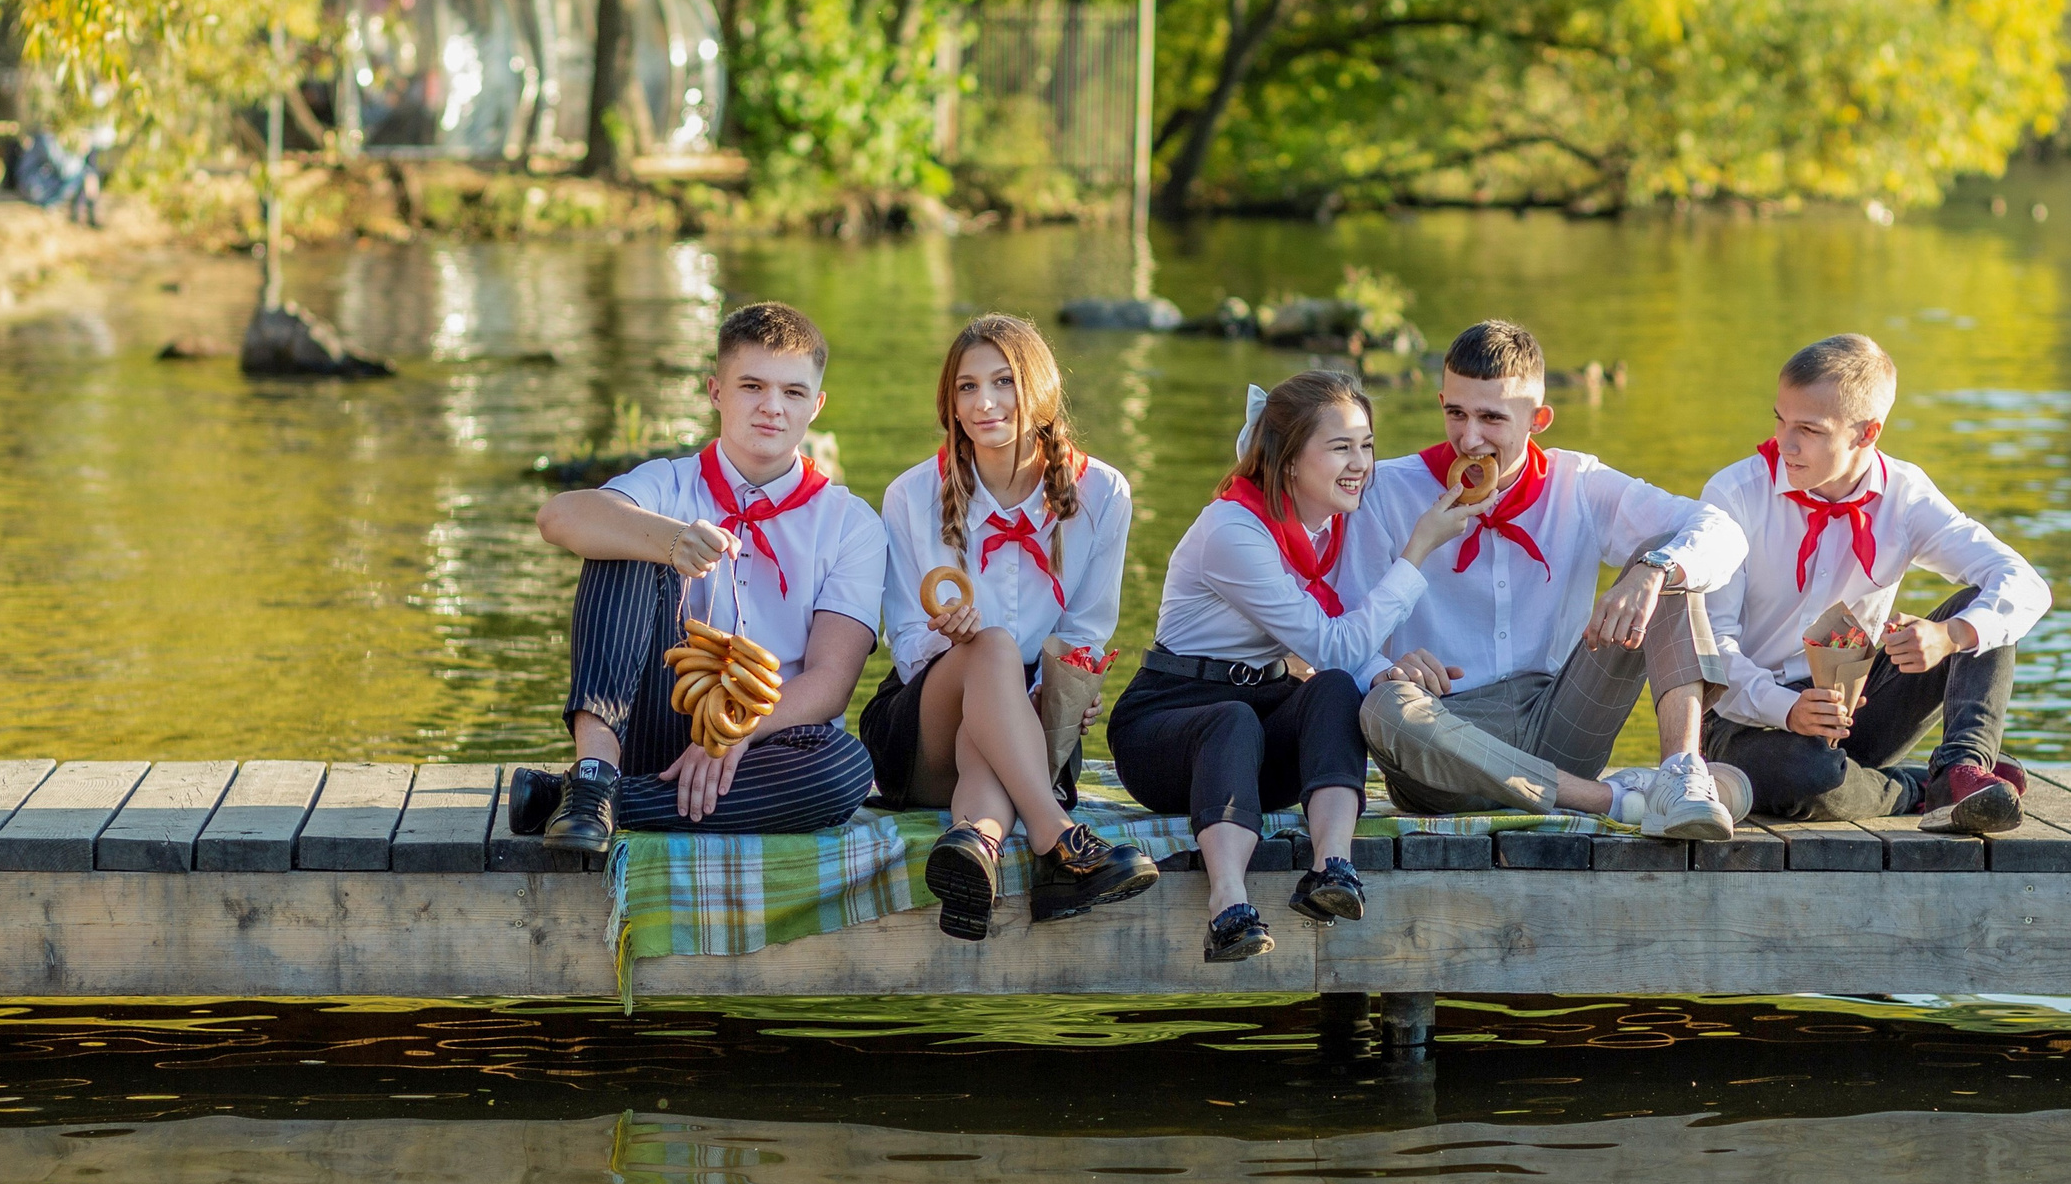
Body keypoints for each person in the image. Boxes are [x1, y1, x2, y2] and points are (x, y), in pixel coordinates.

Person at [1108, 371, 1474, 962]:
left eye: (1367, 445)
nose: (1361, 464)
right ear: (1288, 462)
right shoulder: (1233, 531)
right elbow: (1329, 640)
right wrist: (1418, 550)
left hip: (1253, 727)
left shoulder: (1324, 526)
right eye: (1340, 448)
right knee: (1234, 718)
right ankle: (1227, 907)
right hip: (1166, 728)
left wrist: (1383, 669)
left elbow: (1332, 656)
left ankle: (1333, 870)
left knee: (1330, 690)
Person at [1342, 320, 1754, 838]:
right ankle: (1617, 800)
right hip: (1443, 746)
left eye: (1492, 418)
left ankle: (1680, 774)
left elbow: (1724, 531)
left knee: (1666, 560)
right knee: (1382, 706)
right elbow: (1342, 634)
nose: (1469, 438)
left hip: (1560, 722)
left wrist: (1654, 571)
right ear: (1441, 401)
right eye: (1456, 413)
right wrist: (1387, 667)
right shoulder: (1385, 492)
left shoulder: (1578, 482)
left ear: (1539, 419)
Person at [508, 302, 885, 851]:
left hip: (763, 743)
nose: (772, 408)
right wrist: (670, 540)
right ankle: (592, 775)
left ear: (817, 404)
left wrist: (734, 736)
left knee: (845, 770)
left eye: (793, 392)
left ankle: (585, 802)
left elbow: (830, 683)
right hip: (653, 723)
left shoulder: (852, 522)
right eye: (751, 386)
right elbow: (558, 517)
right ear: (715, 391)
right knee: (622, 537)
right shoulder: (668, 482)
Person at [865, 314, 1156, 943]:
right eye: (966, 387)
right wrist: (954, 640)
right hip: (921, 729)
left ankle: (975, 849)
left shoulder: (1102, 493)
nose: (984, 403)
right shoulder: (911, 496)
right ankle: (1057, 837)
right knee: (990, 647)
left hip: (1033, 724)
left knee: (993, 724)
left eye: (1002, 382)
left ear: (1042, 392)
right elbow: (909, 646)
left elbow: (1084, 632)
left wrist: (1061, 696)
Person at [1698, 333, 2052, 833]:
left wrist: (1950, 636)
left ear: (1867, 434)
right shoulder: (1735, 495)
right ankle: (1920, 790)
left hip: (1856, 709)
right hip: (1746, 719)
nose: (1786, 443)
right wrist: (1789, 709)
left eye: (1809, 429)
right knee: (1808, 775)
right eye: (1780, 420)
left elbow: (2025, 583)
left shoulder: (1904, 495)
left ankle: (1962, 766)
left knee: (1981, 612)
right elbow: (1712, 648)